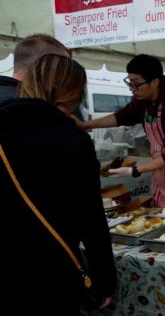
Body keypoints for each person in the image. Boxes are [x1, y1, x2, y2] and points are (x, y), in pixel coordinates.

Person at [0, 54, 116, 314]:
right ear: (73, 93)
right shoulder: (73, 141)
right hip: (51, 271)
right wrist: (105, 281)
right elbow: (92, 220)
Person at [74, 54, 165, 207]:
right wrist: (86, 125)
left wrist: (135, 170)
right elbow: (121, 117)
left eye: (136, 84)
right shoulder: (144, 101)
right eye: (129, 83)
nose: (131, 89)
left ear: (154, 82)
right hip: (159, 172)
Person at [0, 33, 71, 100]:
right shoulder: (22, 106)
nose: (65, 78)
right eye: (62, 69)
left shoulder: (8, 94)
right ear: (43, 67)